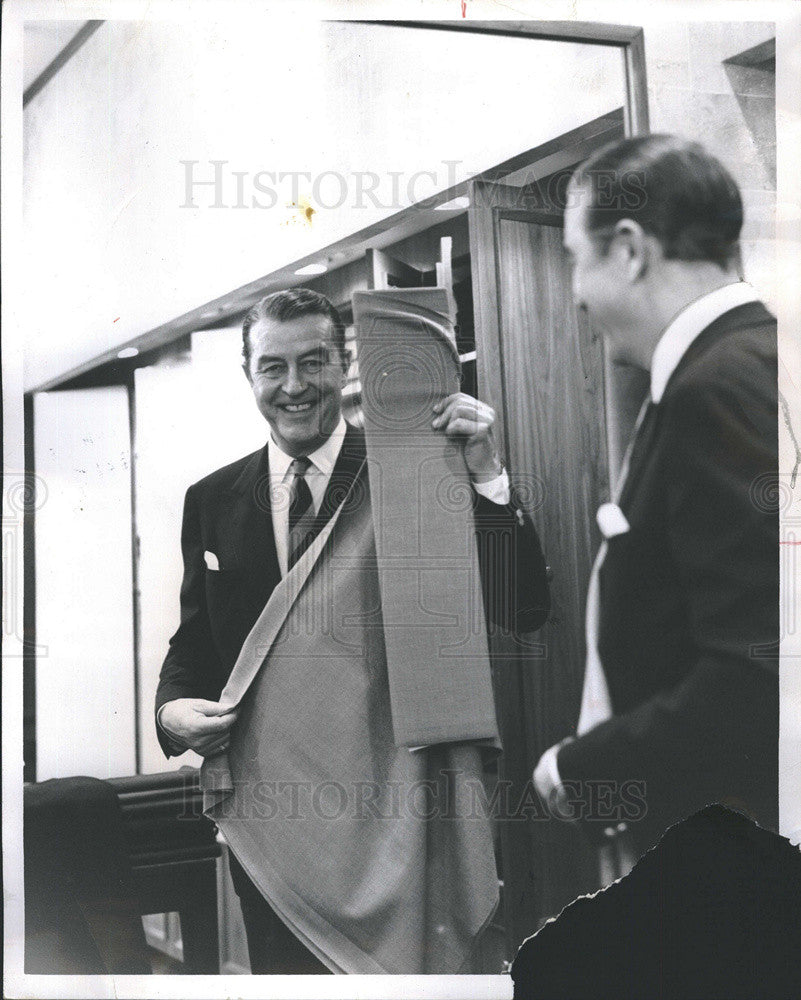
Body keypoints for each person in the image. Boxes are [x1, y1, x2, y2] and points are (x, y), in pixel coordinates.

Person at [156, 287, 549, 972]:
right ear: (247, 374)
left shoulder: (409, 463)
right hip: (272, 813)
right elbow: (196, 643)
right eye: (272, 368)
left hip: (396, 810)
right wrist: (171, 709)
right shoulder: (212, 499)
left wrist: (484, 473)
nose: (295, 386)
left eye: (314, 362)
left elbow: (522, 609)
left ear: (345, 363)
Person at [534, 134, 778, 857]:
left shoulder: (714, 389)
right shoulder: (762, 355)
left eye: (576, 260)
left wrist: (584, 770)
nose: (575, 293)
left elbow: (755, 670)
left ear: (630, 249)